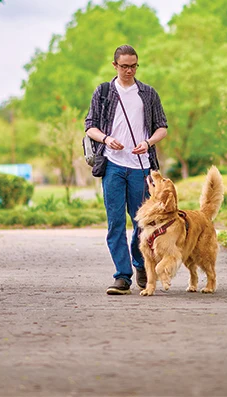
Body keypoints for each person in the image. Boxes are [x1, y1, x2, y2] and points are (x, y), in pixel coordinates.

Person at [85, 45, 168, 295]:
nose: (129, 70)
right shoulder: (103, 92)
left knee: (142, 222)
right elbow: (90, 126)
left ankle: (141, 262)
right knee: (116, 223)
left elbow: (162, 127)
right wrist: (106, 139)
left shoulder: (148, 94)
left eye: (133, 65)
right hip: (112, 166)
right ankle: (122, 276)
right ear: (115, 66)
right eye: (124, 66)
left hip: (141, 168)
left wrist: (148, 142)